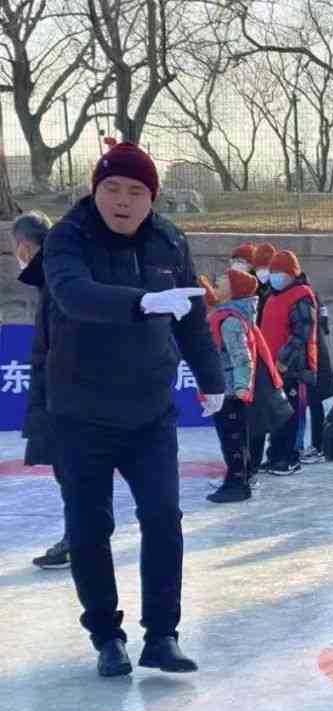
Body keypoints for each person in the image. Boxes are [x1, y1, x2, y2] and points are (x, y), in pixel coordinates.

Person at [43, 140, 225, 677]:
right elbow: (72, 294)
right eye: (111, 189)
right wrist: (139, 302)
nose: (122, 201)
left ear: (153, 198)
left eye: (136, 191)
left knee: (164, 517)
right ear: (95, 192)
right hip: (81, 413)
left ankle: (162, 636)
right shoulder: (66, 239)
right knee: (89, 527)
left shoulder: (170, 241)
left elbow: (191, 316)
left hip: (149, 412)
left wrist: (212, 378)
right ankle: (106, 636)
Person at [199, 267, 291, 503]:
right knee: (236, 439)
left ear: (233, 292)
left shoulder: (230, 320)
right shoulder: (229, 314)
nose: (215, 286)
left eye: (220, 283)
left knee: (233, 441)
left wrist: (241, 387)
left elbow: (241, 357)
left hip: (231, 391)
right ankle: (239, 479)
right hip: (227, 388)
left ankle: (237, 484)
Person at [11, 212, 68, 569]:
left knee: (75, 474)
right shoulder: (56, 276)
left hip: (67, 401)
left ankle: (81, 539)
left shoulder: (56, 281)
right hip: (65, 397)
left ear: (23, 246)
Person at [261, 249, 317, 476]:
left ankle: (290, 457)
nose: (275, 277)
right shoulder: (273, 296)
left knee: (291, 413)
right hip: (273, 366)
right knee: (276, 414)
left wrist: (284, 361)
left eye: (280, 272)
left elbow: (301, 334)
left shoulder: (301, 296)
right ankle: (275, 455)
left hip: (291, 367)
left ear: (292, 274)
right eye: (273, 272)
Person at [246, 242, 277, 472]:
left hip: (271, 360)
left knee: (270, 413)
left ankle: (277, 455)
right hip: (256, 358)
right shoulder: (249, 288)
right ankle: (252, 463)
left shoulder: (280, 292)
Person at [299, 286, 333, 465]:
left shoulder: (305, 296)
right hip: (312, 358)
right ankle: (315, 445)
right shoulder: (311, 294)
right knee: (313, 404)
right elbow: (324, 320)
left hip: (312, 359)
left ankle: (317, 445)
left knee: (313, 403)